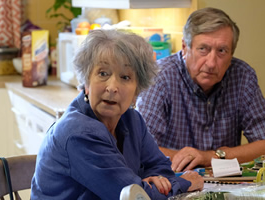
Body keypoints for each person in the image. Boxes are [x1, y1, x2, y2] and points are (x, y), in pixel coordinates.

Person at [30, 29, 204, 200]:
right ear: (86, 82)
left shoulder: (132, 120)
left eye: (125, 77)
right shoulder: (78, 133)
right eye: (103, 73)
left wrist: (154, 182)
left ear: (138, 89)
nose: (112, 87)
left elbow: (160, 168)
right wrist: (185, 183)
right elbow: (131, 195)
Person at [137, 7, 265, 173]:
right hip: (172, 181)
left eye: (221, 51)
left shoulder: (242, 76)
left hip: (228, 184)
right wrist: (191, 159)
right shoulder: (160, 77)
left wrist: (211, 156)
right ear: (185, 47)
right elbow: (141, 149)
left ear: (231, 54)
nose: (212, 63)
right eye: (203, 49)